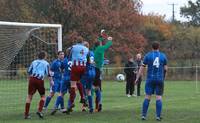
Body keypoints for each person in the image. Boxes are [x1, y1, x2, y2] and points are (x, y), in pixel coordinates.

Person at [135, 41, 167, 121]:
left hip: (150, 79)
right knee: (158, 97)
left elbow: (142, 67)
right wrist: (164, 78)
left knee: (147, 97)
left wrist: (137, 78)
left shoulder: (148, 55)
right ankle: (158, 116)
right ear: (158, 47)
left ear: (152, 47)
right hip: (159, 79)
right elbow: (166, 68)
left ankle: (143, 115)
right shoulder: (163, 56)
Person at [24, 51, 53, 119]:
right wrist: (51, 81)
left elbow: (29, 71)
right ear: (45, 56)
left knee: (29, 97)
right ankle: (39, 111)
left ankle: (26, 114)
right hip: (40, 80)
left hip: (32, 79)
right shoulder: (46, 63)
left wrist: (30, 78)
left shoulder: (33, 62)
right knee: (43, 97)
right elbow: (48, 74)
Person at [66, 38, 89, 114]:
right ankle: (83, 97)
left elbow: (68, 53)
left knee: (73, 85)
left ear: (76, 41)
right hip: (83, 67)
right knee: (79, 81)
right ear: (82, 42)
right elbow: (88, 59)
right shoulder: (86, 48)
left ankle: (71, 102)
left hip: (75, 66)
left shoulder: (73, 47)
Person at [94, 31, 112, 112]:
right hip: (98, 70)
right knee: (98, 88)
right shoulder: (100, 48)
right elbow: (107, 46)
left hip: (95, 69)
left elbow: (99, 42)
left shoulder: (95, 48)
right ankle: (99, 104)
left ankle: (95, 104)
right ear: (100, 44)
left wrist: (101, 37)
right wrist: (110, 40)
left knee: (95, 88)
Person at [50, 50, 71, 115]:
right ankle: (68, 107)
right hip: (72, 78)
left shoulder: (64, 60)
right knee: (72, 93)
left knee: (61, 93)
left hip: (64, 78)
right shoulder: (74, 59)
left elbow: (61, 69)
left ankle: (55, 107)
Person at [80, 41, 96, 113]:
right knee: (89, 91)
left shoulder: (84, 53)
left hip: (86, 72)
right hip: (93, 72)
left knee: (83, 90)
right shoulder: (92, 53)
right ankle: (91, 107)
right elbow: (93, 62)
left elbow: (83, 62)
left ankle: (85, 104)